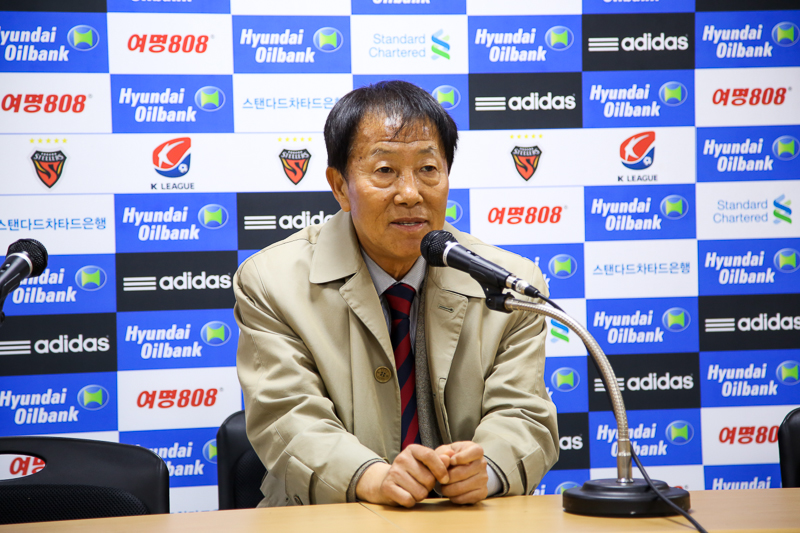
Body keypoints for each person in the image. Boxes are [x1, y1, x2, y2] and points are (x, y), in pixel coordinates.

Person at [233, 80, 558, 508]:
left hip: (465, 517)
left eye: (428, 169)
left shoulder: (506, 282)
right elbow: (289, 416)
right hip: (331, 517)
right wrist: (373, 478)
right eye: (385, 171)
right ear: (339, 186)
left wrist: (489, 469)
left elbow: (523, 412)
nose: (410, 193)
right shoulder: (272, 281)